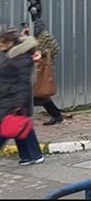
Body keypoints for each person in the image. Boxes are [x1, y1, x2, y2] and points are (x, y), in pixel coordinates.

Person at [0, 30, 45, 166]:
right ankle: (30, 156)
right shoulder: (11, 55)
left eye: (2, 42)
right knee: (20, 127)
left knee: (8, 127)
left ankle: (33, 155)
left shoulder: (21, 59)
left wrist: (19, 103)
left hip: (15, 99)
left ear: (10, 43)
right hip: (9, 97)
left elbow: (24, 83)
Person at [22, 20, 64, 125]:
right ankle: (56, 115)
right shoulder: (30, 37)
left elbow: (55, 50)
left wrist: (41, 53)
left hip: (41, 69)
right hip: (32, 68)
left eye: (28, 26)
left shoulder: (45, 36)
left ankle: (23, 119)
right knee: (39, 95)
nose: (27, 28)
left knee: (36, 94)